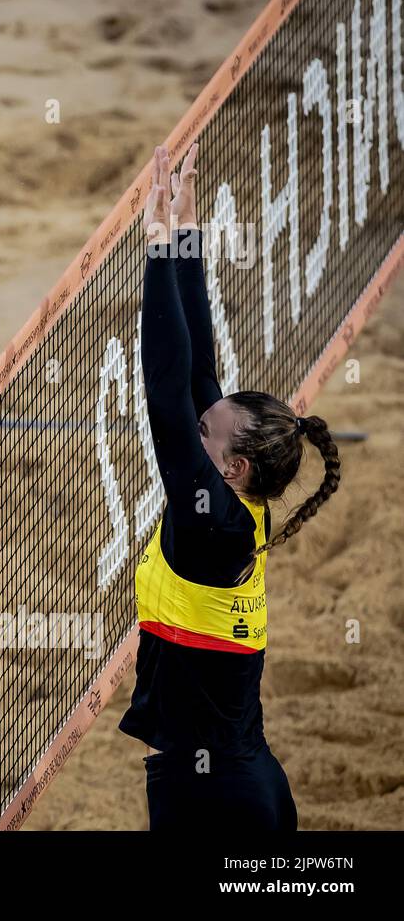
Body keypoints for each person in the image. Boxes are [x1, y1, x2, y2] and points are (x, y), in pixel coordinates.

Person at [119, 142, 342, 831]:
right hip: (236, 788)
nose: (197, 419)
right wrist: (185, 236)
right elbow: (196, 377)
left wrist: (156, 252)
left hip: (217, 802)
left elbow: (163, 391)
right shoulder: (224, 503)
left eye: (206, 429)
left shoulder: (211, 522)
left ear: (232, 465)